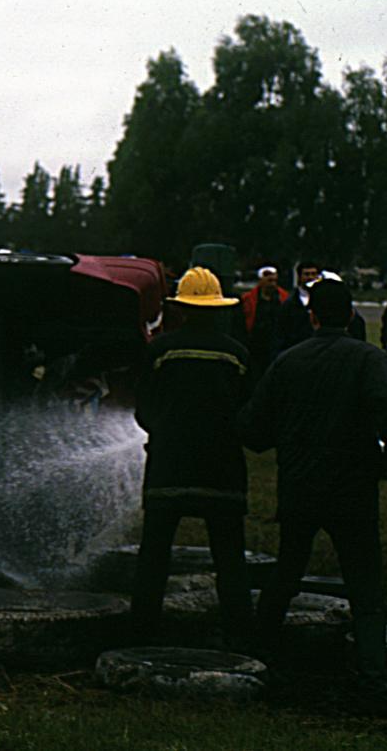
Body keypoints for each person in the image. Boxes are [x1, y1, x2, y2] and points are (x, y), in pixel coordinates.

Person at [239, 277, 387, 716]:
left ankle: (259, 656)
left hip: (300, 487)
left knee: (287, 573)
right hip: (352, 490)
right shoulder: (371, 360)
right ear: (350, 315)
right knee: (365, 589)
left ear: (311, 317)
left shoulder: (288, 362)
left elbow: (253, 428)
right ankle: (372, 681)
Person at [132, 266, 254, 646]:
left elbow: (142, 411)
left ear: (181, 308)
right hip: (222, 472)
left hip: (168, 468)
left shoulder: (159, 352)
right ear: (218, 308)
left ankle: (142, 635)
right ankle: (239, 638)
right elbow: (248, 413)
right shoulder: (237, 356)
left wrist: (166, 431)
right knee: (230, 560)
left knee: (154, 557)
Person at [240, 265, 289, 383]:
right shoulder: (248, 299)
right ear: (261, 280)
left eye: (275, 281)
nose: (272, 284)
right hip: (255, 345)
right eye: (269, 280)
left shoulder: (284, 298)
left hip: (277, 344)